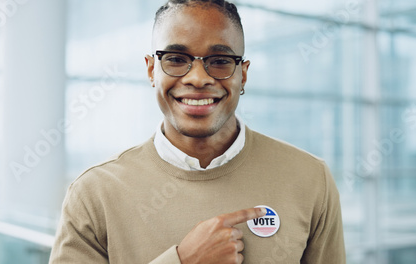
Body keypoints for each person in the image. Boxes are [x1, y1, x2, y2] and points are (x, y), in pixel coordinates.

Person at [49, 0, 346, 263]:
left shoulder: (310, 178)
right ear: (152, 70)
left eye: (219, 61)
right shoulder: (94, 193)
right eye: (177, 59)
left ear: (243, 74)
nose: (198, 78)